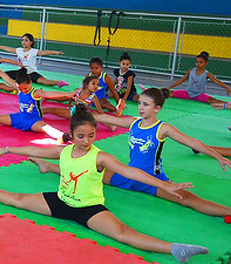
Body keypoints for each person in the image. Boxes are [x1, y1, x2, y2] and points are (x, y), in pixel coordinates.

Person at [0, 105, 209, 264]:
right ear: (71, 134)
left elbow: (129, 171)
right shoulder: (63, 152)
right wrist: (8, 148)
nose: (86, 141)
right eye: (80, 136)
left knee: (125, 234)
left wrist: (165, 186)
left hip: (89, 209)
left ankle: (175, 249)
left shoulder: (100, 156)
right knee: (18, 199)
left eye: (91, 136)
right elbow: (32, 150)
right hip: (61, 201)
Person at [32, 88, 231, 219]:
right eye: (141, 103)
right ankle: (49, 166)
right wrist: (81, 111)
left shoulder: (163, 129)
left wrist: (218, 156)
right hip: (128, 175)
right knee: (85, 172)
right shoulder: (133, 122)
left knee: (188, 200)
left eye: (146, 105)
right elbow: (101, 117)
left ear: (157, 108)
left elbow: (192, 142)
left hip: (152, 180)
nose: (141, 108)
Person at [0, 67, 74, 142]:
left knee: (46, 128)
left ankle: (63, 136)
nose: (23, 91)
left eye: (25, 89)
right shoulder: (19, 89)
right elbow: (7, 79)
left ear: (30, 83)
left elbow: (50, 94)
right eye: (21, 89)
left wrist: (67, 94)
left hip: (33, 121)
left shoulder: (35, 93)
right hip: (20, 117)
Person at [0, 34, 68, 88]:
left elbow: (44, 52)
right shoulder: (19, 50)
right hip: (21, 72)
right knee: (0, 74)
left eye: (26, 40)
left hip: (31, 73)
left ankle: (59, 82)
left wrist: (55, 52)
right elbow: (9, 49)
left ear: (31, 42)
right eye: (22, 40)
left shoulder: (33, 51)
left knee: (44, 81)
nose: (23, 42)